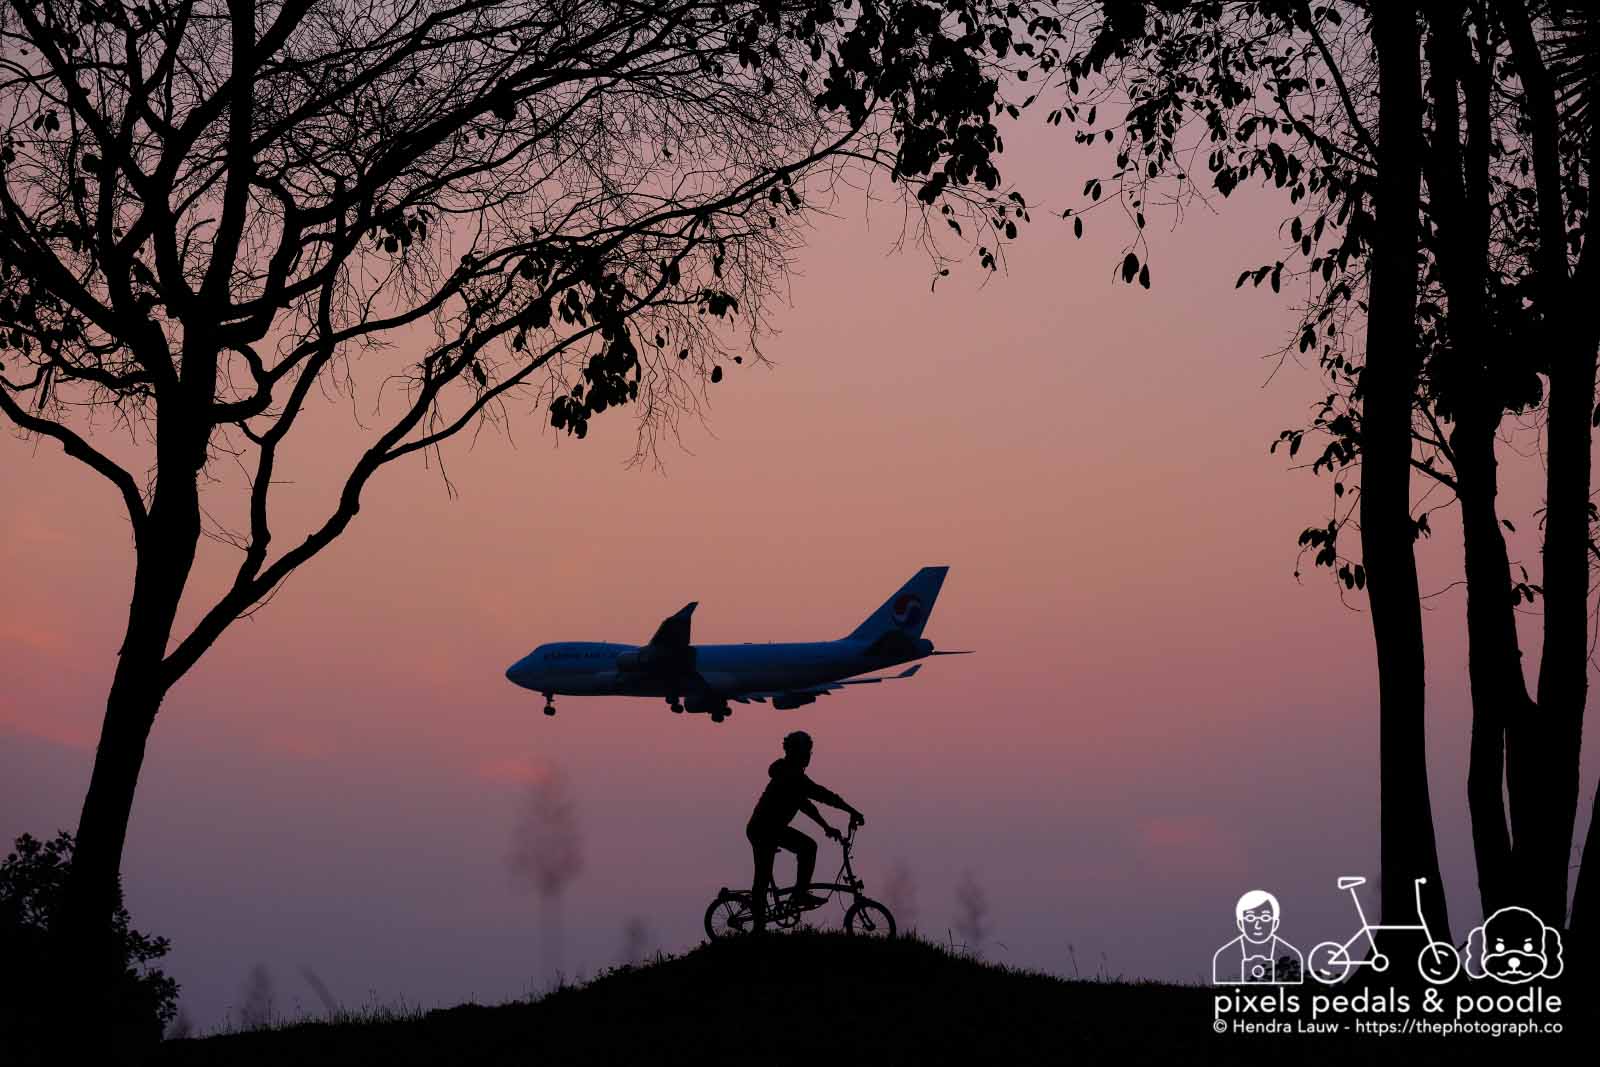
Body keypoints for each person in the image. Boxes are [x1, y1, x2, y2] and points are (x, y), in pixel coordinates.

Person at [746, 731, 864, 931]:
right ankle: (761, 926)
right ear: (795, 753)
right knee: (769, 873)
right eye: (805, 752)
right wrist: (851, 810)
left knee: (804, 849)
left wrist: (826, 827)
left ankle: (798, 894)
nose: (808, 756)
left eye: (810, 752)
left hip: (772, 828)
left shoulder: (792, 775)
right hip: (763, 830)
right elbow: (822, 795)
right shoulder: (791, 776)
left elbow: (806, 804)